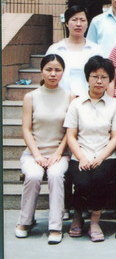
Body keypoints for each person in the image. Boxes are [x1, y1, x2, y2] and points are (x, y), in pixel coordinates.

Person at [16, 54, 72, 244]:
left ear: (63, 72)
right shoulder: (31, 97)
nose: (53, 74)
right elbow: (26, 129)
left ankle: (55, 226)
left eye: (57, 70)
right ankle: (25, 221)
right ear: (42, 71)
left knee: (55, 175)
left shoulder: (69, 97)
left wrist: (58, 153)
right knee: (33, 176)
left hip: (60, 154)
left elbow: (70, 131)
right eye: (49, 69)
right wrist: (37, 155)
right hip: (33, 153)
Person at [65, 56, 116, 243]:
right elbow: (71, 135)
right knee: (82, 182)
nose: (99, 81)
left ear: (110, 80)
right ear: (87, 78)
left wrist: (100, 158)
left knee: (99, 179)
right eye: (95, 76)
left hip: (106, 155)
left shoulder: (115, 104)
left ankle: (95, 220)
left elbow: (115, 137)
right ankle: (78, 215)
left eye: (104, 77)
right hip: (81, 154)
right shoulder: (76, 104)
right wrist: (81, 157)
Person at [46, 5, 102, 97]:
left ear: (87, 24)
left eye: (82, 20)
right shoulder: (55, 50)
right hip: (60, 99)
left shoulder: (96, 50)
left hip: (89, 100)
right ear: (67, 23)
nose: (78, 24)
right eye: (74, 20)